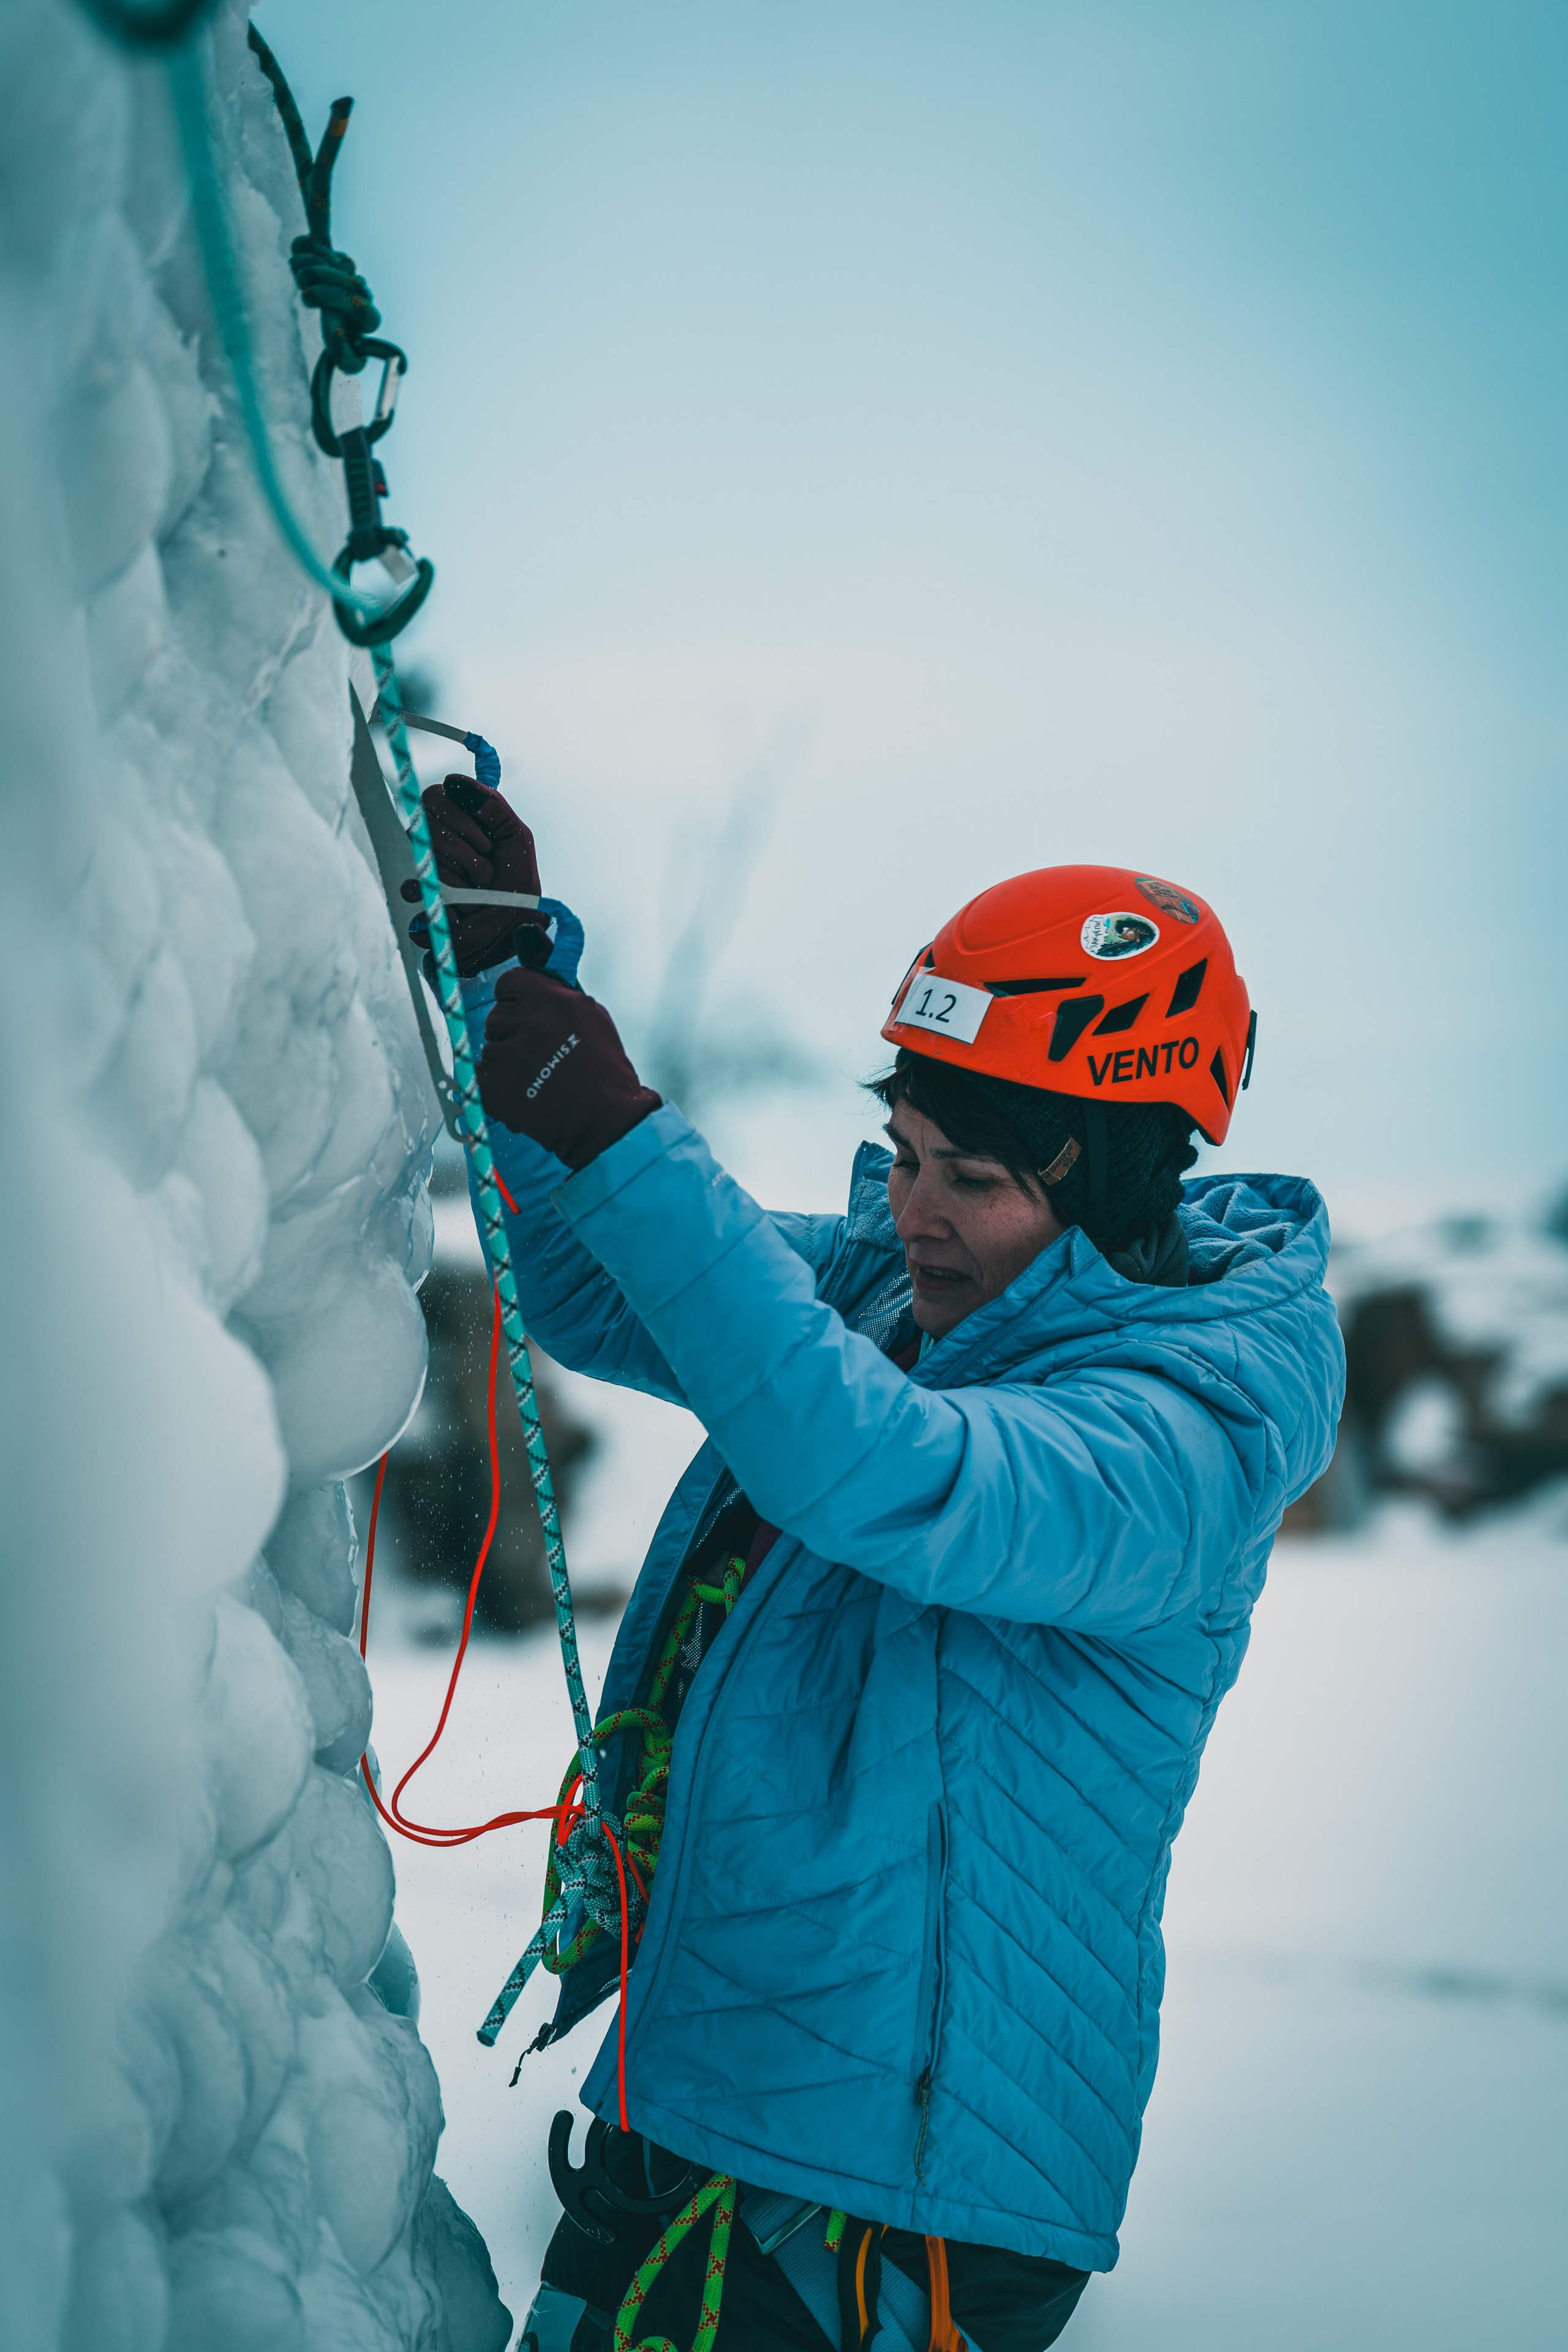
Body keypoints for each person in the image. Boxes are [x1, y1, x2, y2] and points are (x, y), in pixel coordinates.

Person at [424, 774, 1344, 2352]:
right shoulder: (899, 1300)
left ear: (1116, 1184)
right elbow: (591, 1279)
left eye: (971, 1178)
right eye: (903, 1151)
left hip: (894, 2203)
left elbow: (884, 1475)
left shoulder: (1187, 1429)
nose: (916, 1209)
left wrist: (629, 1134)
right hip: (709, 2100)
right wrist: (514, 989)